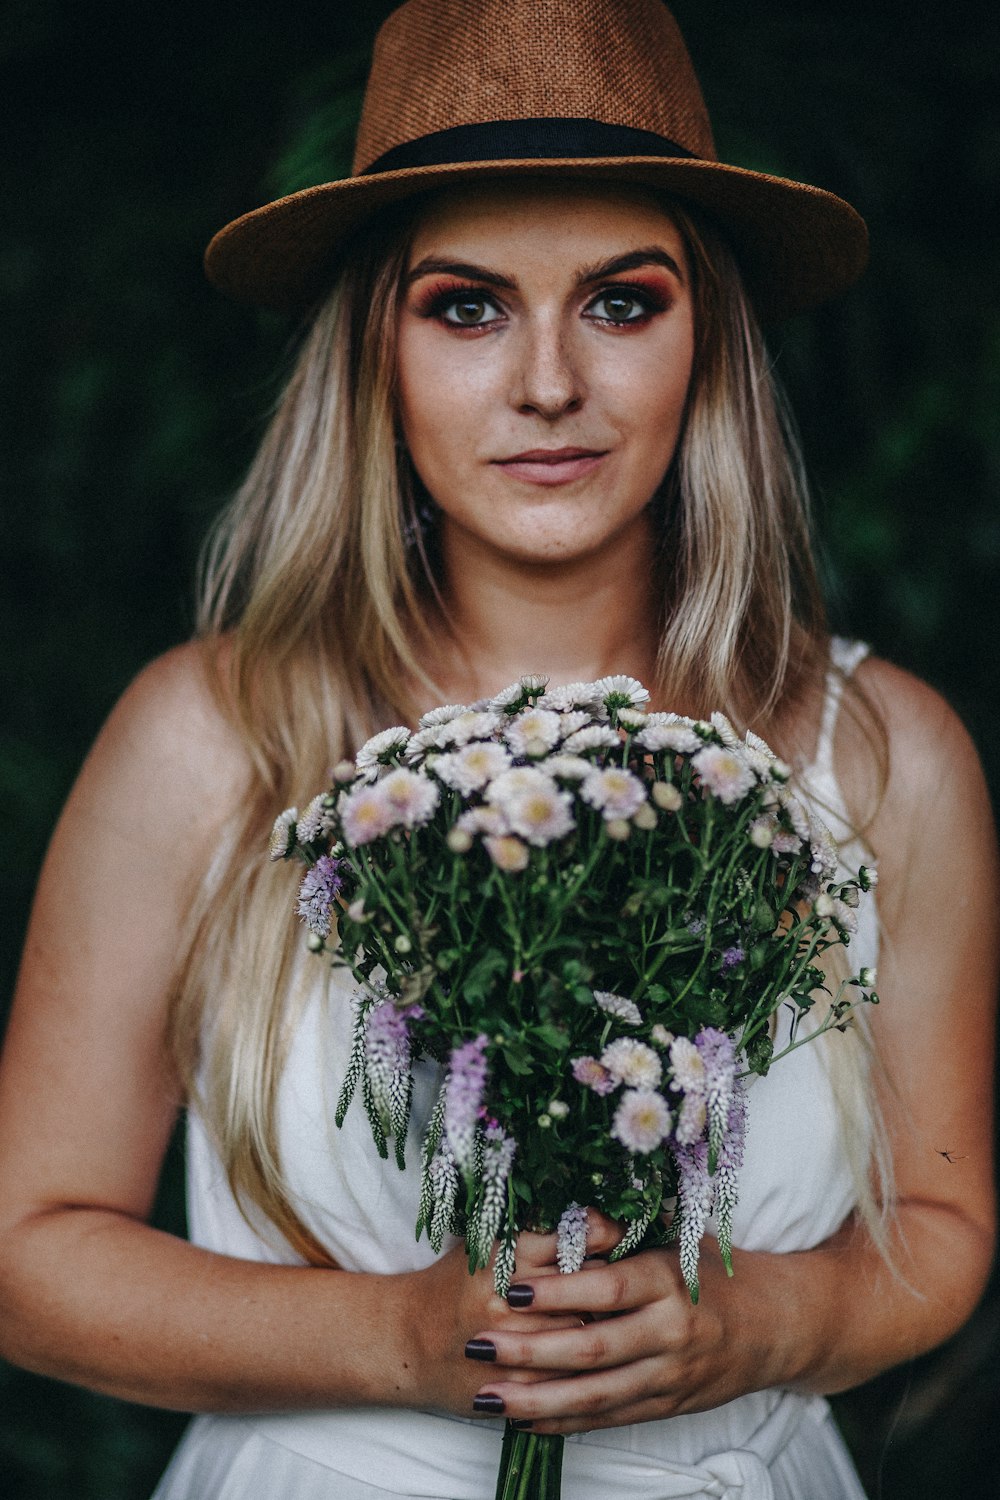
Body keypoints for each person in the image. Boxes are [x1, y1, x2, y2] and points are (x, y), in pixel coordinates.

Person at [0, 2, 995, 1497]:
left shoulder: (884, 756)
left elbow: (941, 1229)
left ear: (706, 341)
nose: (546, 383)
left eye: (621, 302)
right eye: (466, 306)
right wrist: (407, 1342)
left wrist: (758, 1321)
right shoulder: (213, 738)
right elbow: (27, 1254)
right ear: (375, 352)